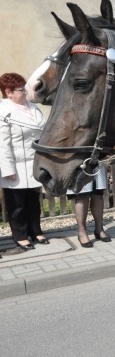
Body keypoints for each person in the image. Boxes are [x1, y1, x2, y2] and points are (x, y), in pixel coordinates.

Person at [0, 72, 48, 252]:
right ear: (8, 92)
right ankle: (20, 236)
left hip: (34, 162)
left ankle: (35, 231)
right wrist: (7, 169)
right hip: (16, 165)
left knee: (34, 202)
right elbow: (2, 144)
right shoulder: (3, 111)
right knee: (17, 205)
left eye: (24, 89)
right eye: (20, 90)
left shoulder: (32, 107)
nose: (25, 93)